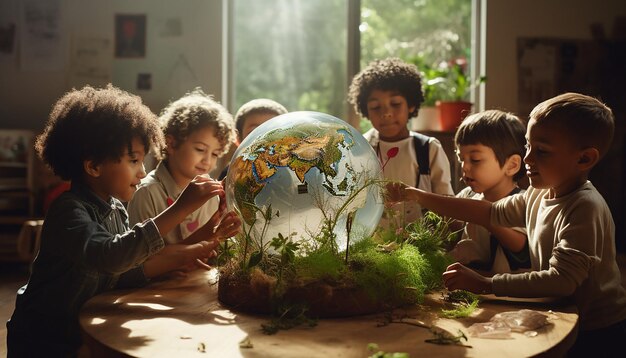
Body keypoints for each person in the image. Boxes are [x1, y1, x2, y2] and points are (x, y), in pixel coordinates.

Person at [387, 92, 626, 354]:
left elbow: (562, 280)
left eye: (542, 152)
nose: (528, 159)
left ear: (584, 159)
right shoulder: (539, 193)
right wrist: (416, 195)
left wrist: (486, 284)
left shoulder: (584, 207)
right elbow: (489, 213)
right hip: (563, 313)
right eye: (527, 146)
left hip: (597, 329)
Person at [7, 85, 222, 357]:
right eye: (133, 160)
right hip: (43, 341)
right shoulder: (69, 210)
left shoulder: (117, 209)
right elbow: (112, 257)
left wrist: (207, 238)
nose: (142, 171)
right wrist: (180, 208)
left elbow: (127, 270)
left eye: (142, 161)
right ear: (93, 166)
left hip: (81, 332)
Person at [347, 57, 454, 227]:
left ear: (411, 104)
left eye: (395, 103)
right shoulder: (360, 148)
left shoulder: (428, 149)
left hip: (420, 247)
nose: (386, 113)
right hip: (372, 246)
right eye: (376, 107)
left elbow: (447, 205)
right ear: (366, 111)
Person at [128, 88, 241, 246]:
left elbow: (208, 248)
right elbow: (140, 259)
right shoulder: (146, 194)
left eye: (215, 154)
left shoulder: (210, 195)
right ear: (171, 144)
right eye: (200, 149)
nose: (207, 160)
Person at [449, 110, 530, 275]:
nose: (464, 167)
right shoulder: (468, 196)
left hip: (502, 294)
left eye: (475, 159)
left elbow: (520, 246)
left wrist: (486, 217)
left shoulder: (521, 202)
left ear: (512, 165)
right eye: (461, 159)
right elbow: (450, 225)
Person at [217, 98, 288, 180]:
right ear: (238, 139)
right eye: (254, 132)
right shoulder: (230, 175)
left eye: (273, 131)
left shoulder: (293, 168)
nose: (265, 140)